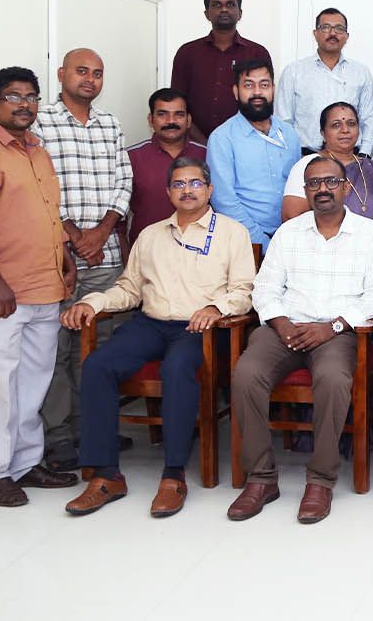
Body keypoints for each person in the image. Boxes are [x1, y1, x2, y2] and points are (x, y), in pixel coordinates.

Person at [60, 157, 255, 518]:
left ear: (209, 190)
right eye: (179, 184)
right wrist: (93, 302)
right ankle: (106, 475)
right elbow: (128, 289)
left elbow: (244, 291)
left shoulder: (232, 233)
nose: (187, 190)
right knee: (98, 365)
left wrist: (216, 308)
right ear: (168, 192)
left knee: (177, 367)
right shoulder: (150, 235)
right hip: (150, 324)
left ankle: (173, 475)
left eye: (195, 183)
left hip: (202, 329)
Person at [227, 157, 373, 524]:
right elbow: (265, 288)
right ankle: (261, 478)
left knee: (333, 379)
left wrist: (333, 327)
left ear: (346, 188)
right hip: (284, 328)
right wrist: (281, 323)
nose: (323, 189)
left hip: (338, 333)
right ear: (305, 191)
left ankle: (320, 480)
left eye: (331, 181)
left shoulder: (369, 234)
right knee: (246, 374)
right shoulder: (289, 232)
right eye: (314, 183)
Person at [0, 67, 79, 507]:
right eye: (13, 96)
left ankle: (25, 464)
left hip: (43, 287)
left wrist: (65, 259)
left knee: (32, 383)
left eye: (31, 97)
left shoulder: (37, 152)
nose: (24, 104)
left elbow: (48, 214)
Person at [33, 47, 133, 472]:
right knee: (53, 352)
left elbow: (124, 180)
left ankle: (90, 431)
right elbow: (37, 187)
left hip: (104, 257)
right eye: (81, 71)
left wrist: (103, 231)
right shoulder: (39, 122)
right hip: (56, 259)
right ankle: (58, 437)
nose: (90, 79)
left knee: (94, 351)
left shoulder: (109, 124)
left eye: (97, 73)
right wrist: (73, 235)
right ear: (61, 74)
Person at [205, 59, 301, 250]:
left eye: (264, 85)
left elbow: (298, 189)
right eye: (248, 85)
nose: (257, 92)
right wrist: (263, 243)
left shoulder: (289, 134)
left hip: (291, 239)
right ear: (236, 91)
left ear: (273, 89)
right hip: (245, 243)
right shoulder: (222, 138)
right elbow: (224, 201)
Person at [170, 0, 272, 140]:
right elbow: (177, 104)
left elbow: (264, 103)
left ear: (240, 13)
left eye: (230, 4)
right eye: (217, 5)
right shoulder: (187, 53)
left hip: (244, 141)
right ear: (207, 14)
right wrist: (202, 143)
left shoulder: (257, 53)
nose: (224, 9)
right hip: (194, 142)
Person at [274, 8, 373, 157]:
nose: (332, 33)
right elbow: (283, 121)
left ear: (346, 36)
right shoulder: (294, 72)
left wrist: (364, 156)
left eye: (339, 28)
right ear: (315, 33)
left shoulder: (360, 72)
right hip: (305, 157)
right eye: (325, 27)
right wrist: (295, 158)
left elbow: (370, 119)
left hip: (352, 158)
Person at [125, 88, 207, 245]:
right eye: (162, 114)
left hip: (199, 249)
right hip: (146, 249)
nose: (171, 121)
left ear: (189, 120)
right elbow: (119, 214)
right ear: (151, 119)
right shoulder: (131, 157)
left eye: (179, 114)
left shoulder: (207, 155)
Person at [281, 102, 373, 223]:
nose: (345, 130)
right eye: (336, 125)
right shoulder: (309, 165)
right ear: (323, 133)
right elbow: (291, 217)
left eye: (351, 123)